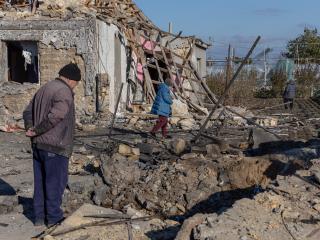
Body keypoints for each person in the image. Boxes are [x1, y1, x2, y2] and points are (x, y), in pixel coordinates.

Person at [23, 63, 81, 227]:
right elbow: (57, 115)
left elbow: (27, 112)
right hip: (55, 145)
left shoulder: (44, 88)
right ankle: (54, 219)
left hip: (38, 146)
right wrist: (37, 130)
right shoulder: (64, 91)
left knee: (40, 183)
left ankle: (39, 218)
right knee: (55, 183)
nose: (74, 87)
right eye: (75, 83)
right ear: (70, 79)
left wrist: (30, 128)